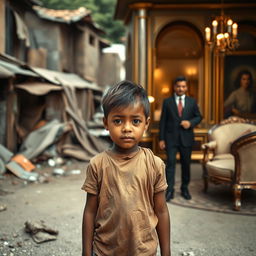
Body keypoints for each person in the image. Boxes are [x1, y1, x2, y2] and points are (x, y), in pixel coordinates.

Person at [81, 80, 171, 256]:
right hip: (105, 250)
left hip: (144, 250)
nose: (127, 128)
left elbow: (161, 210)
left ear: (146, 124)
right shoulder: (97, 164)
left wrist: (166, 253)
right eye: (118, 121)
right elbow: (90, 211)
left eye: (136, 121)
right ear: (106, 123)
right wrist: (86, 252)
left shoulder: (154, 164)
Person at [159, 76, 202, 201]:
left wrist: (190, 123)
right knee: (170, 164)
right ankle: (170, 190)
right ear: (174, 87)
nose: (181, 88)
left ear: (186, 87)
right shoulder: (167, 102)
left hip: (186, 138)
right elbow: (163, 121)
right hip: (170, 139)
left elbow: (199, 116)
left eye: (183, 86)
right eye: (178, 86)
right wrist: (162, 139)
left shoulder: (192, 102)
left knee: (186, 165)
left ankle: (185, 188)